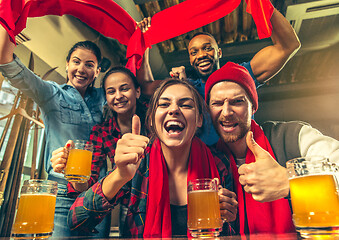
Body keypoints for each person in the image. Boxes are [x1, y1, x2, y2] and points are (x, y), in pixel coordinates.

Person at [0, 18, 152, 237]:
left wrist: (141, 40)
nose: (82, 69)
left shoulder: (105, 96)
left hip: (98, 195)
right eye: (76, 62)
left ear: (97, 71)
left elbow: (133, 85)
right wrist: (9, 17)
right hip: (61, 194)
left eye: (89, 65)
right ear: (67, 65)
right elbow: (8, 65)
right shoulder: (50, 93)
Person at [68, 79, 238, 238]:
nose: (173, 110)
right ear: (151, 119)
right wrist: (120, 176)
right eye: (164, 104)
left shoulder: (219, 163)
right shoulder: (138, 161)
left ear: (199, 119)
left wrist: (227, 217)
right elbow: (77, 220)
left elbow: (230, 232)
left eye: (185, 105)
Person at [204, 62, 339, 234]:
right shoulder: (209, 160)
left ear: (253, 106)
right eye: (217, 103)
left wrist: (291, 182)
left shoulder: (292, 136)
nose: (226, 112)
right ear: (208, 110)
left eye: (237, 101)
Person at [169, 8, 301, 145]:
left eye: (208, 48)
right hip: (208, 164)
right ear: (190, 60)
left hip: (244, 159)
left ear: (219, 53)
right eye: (194, 52)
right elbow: (146, 86)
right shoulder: (188, 87)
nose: (201, 55)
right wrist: (182, 87)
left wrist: (262, 5)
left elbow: (288, 45)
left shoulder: (238, 75)